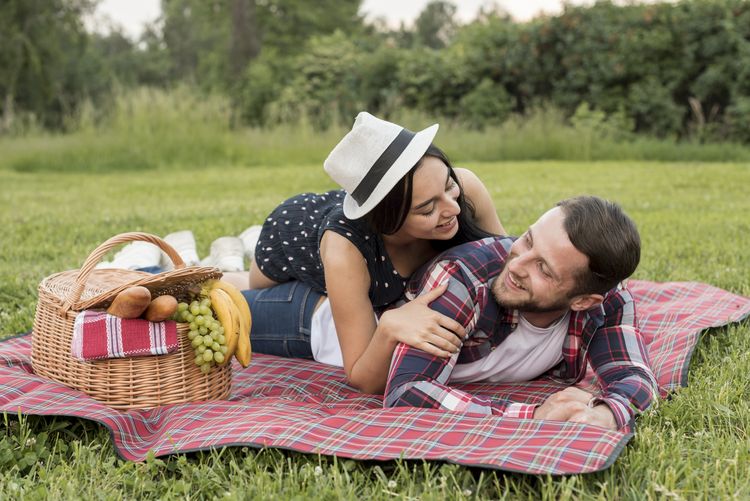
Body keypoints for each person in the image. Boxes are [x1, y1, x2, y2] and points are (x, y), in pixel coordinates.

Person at [226, 112, 505, 393]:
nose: (453, 208)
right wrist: (388, 326)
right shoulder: (345, 250)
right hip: (291, 238)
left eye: (448, 186)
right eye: (427, 209)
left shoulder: (466, 191)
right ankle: (217, 268)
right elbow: (360, 375)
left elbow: (503, 257)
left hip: (339, 247)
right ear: (386, 220)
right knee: (248, 287)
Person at [382, 195, 658, 430]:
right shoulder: (461, 279)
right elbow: (407, 392)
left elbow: (634, 377)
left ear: (584, 300)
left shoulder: (608, 301)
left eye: (543, 269)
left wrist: (604, 414)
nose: (515, 265)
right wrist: (534, 416)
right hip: (352, 334)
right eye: (527, 240)